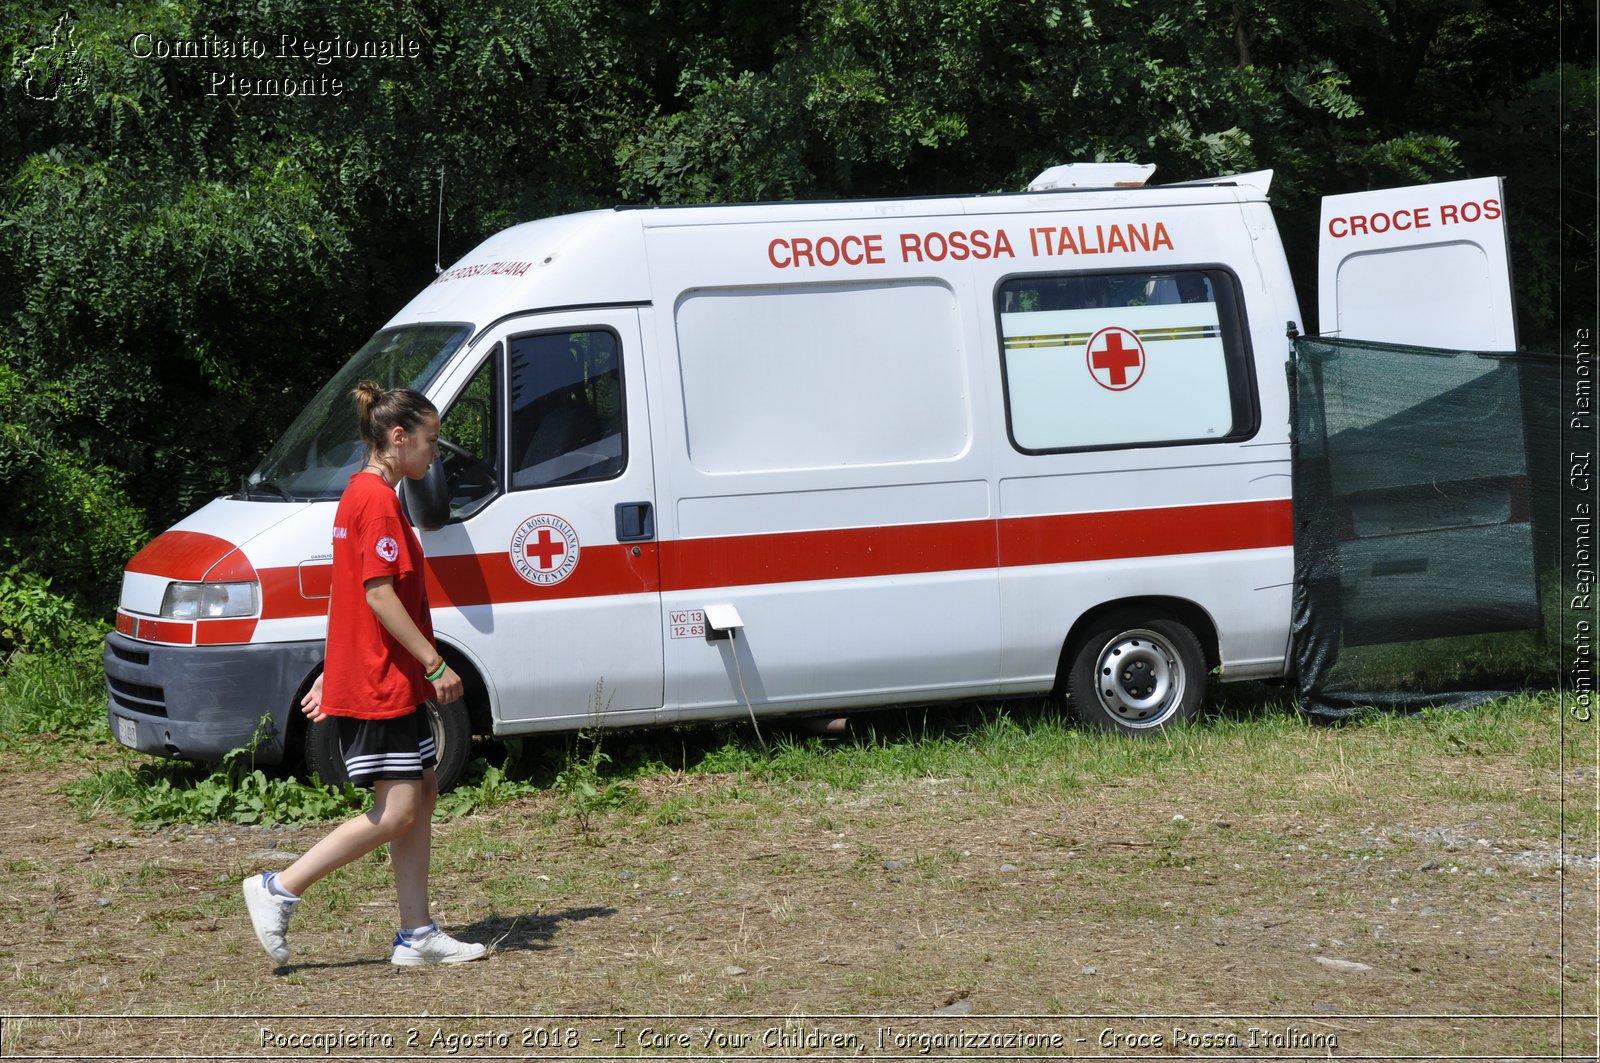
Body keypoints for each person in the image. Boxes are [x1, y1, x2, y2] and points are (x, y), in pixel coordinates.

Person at [242, 382, 488, 967]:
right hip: (385, 680)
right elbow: (377, 595)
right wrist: (435, 662)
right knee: (400, 809)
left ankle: (417, 934)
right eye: (429, 441)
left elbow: (345, 595)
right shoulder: (376, 501)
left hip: (381, 675)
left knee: (422, 793)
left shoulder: (362, 494)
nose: (436, 454)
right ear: (397, 438)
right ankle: (279, 888)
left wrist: (333, 668)